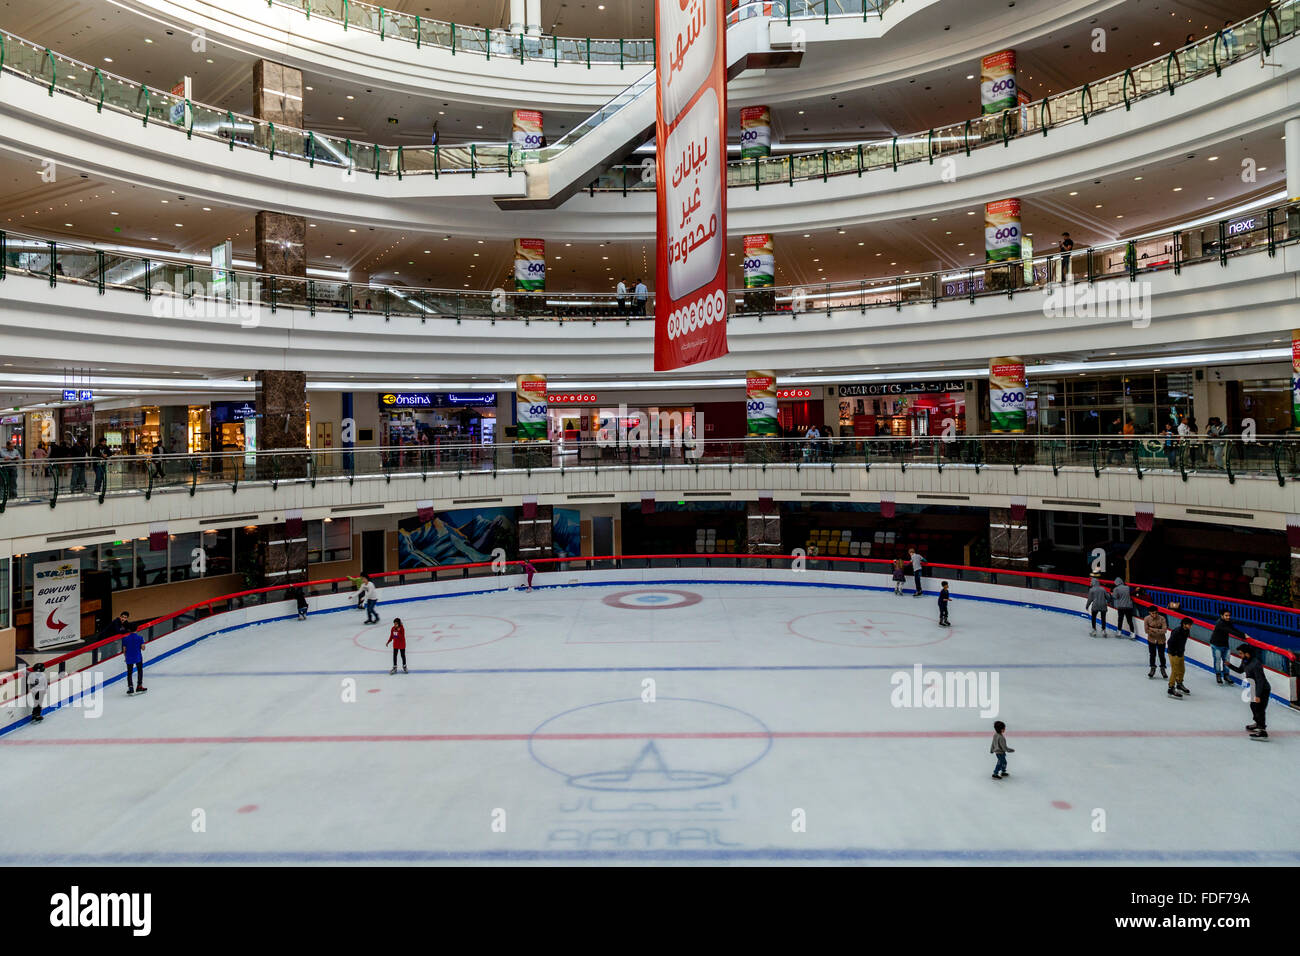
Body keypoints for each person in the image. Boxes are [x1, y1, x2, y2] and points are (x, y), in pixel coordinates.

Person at [1229, 643, 1269, 739]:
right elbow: (1240, 670)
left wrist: (1258, 695)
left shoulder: (1256, 664)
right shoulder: (1245, 661)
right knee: (1253, 706)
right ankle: (1257, 723)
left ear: (1247, 654)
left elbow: (1260, 681)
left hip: (1262, 689)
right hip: (1254, 687)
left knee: (1259, 708)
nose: (1240, 655)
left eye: (1241, 653)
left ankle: (1262, 731)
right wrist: (1229, 665)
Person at [1209, 609, 1245, 686]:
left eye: (1229, 615)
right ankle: (1218, 675)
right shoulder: (1219, 623)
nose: (1228, 617)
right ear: (1221, 616)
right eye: (1226, 615)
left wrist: (1243, 634)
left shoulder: (1229, 622)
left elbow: (1233, 629)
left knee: (1227, 660)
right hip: (1216, 645)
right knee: (1217, 660)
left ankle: (1226, 675)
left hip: (1225, 645)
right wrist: (1243, 636)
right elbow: (1230, 631)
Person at [1166, 617, 1192, 699]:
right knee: (1175, 671)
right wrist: (1174, 653)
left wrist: (1181, 651)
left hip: (1181, 653)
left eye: (1191, 625)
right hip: (1174, 654)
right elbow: (1169, 642)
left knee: (1182, 670)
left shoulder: (1187, 631)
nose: (1190, 626)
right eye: (1189, 625)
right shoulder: (1177, 631)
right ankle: (1171, 688)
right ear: (1184, 624)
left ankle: (1179, 684)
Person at [1143, 607, 1168, 680]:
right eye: (1153, 613)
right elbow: (1146, 631)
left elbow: (1164, 630)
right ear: (1149, 613)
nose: (1155, 614)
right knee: (1152, 654)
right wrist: (1158, 630)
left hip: (1161, 640)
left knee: (1161, 655)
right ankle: (1152, 668)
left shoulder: (1162, 618)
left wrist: (1152, 629)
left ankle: (1163, 668)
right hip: (1151, 640)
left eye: (1156, 613)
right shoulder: (1146, 619)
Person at [123, 630, 147, 695]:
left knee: (129, 673)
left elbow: (124, 650)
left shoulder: (125, 638)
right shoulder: (140, 637)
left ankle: (131, 688)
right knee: (140, 671)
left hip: (129, 657)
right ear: (136, 629)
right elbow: (143, 648)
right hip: (138, 657)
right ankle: (139, 686)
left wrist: (125, 657)